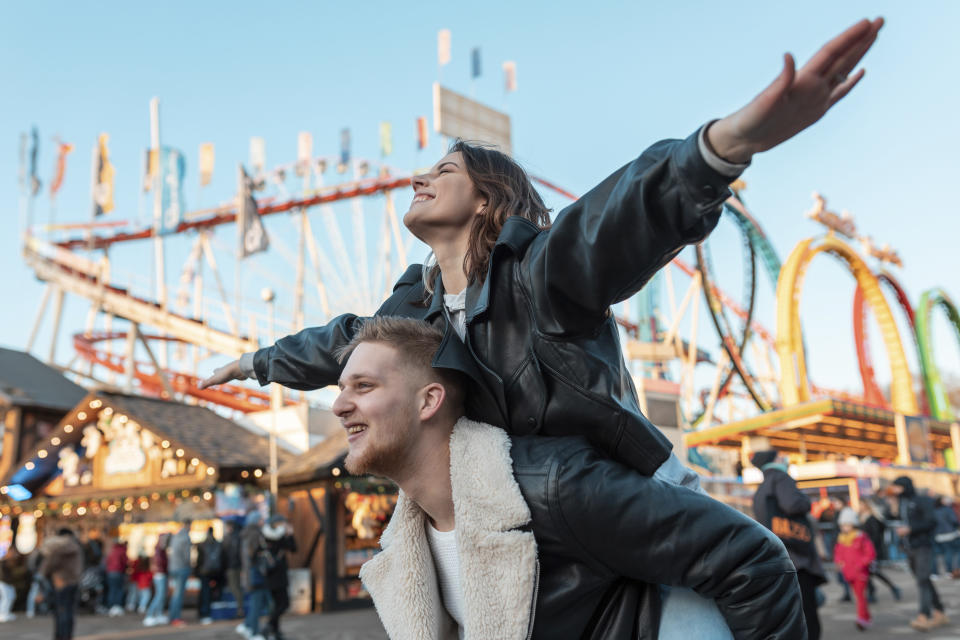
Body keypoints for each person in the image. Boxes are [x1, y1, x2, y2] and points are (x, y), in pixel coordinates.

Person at [201, 19, 882, 631]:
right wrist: (262, 363)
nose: (419, 177)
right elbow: (345, 343)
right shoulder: (415, 311)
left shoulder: (537, 273)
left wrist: (720, 149)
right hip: (531, 512)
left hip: (606, 503)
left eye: (443, 170)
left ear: (487, 198)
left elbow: (610, 225)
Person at [332, 316, 803, 638]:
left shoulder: (552, 486)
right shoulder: (407, 548)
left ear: (428, 401)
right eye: (340, 389)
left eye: (364, 386)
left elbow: (752, 557)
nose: (338, 405)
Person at [751, 448, 826, 639]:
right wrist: (807, 501)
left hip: (780, 556)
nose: (784, 459)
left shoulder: (761, 488)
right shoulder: (781, 478)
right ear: (773, 460)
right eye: (780, 456)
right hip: (798, 556)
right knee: (808, 615)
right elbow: (792, 504)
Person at [887, 476, 948, 630]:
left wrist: (911, 529)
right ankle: (939, 611)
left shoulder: (921, 500)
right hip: (909, 547)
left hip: (923, 546)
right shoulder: (900, 502)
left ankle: (924, 615)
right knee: (924, 580)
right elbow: (896, 519)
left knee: (922, 580)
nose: (895, 490)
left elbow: (931, 521)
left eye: (898, 487)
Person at [833, 507, 876, 630]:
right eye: (843, 525)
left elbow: (870, 554)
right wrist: (838, 563)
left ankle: (861, 619)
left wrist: (861, 564)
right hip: (849, 573)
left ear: (853, 524)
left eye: (847, 524)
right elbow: (838, 553)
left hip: (860, 573)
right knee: (859, 596)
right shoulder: (841, 539)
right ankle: (866, 617)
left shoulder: (861, 537)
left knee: (860, 596)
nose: (844, 527)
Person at [39, 527, 84, 640]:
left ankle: (61, 636)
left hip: (61, 581)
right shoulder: (75, 545)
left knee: (61, 611)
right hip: (73, 581)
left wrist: (43, 573)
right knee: (68, 611)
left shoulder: (62, 547)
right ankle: (66, 635)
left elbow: (50, 562)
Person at [858, 498, 901, 603]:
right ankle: (872, 594)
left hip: (872, 550)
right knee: (867, 573)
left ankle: (893, 587)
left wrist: (869, 548)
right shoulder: (862, 517)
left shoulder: (872, 519)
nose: (859, 506)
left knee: (874, 572)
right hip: (864, 550)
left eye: (861, 504)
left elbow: (875, 536)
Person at [261, 515, 297, 640]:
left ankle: (276, 632)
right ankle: (269, 625)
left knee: (277, 604)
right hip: (279, 575)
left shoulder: (264, 536)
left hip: (269, 575)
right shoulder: (280, 536)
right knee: (284, 604)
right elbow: (293, 548)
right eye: (282, 522)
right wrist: (290, 534)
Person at [238, 511, 270, 640]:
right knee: (257, 602)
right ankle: (253, 631)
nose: (263, 521)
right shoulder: (255, 534)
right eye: (261, 519)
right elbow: (253, 555)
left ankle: (248, 626)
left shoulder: (248, 534)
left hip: (250, 573)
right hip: (255, 574)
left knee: (257, 602)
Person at [166, 519, 193, 627]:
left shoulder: (175, 536)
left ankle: (172, 616)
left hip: (173, 568)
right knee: (179, 594)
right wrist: (190, 565)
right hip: (182, 568)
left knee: (175, 594)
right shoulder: (185, 537)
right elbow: (187, 556)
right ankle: (176, 618)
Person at [195, 526, 223, 625]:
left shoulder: (202, 544)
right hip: (215, 572)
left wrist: (197, 571)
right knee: (210, 593)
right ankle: (208, 613)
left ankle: (203, 613)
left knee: (204, 593)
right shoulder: (218, 543)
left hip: (204, 572)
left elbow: (199, 560)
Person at [144, 532, 170, 627]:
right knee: (159, 596)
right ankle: (149, 615)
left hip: (161, 574)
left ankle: (158, 614)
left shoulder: (161, 549)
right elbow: (160, 563)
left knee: (161, 596)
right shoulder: (159, 550)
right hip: (160, 574)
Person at [222, 519, 246, 619]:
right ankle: (240, 609)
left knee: (234, 588)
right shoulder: (239, 537)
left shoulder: (229, 538)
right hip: (237, 566)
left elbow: (227, 553)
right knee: (237, 588)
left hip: (232, 566)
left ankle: (240, 609)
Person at [933, 495, 960, 578]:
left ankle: (949, 571)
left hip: (940, 535)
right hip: (950, 534)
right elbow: (954, 520)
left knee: (946, 553)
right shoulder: (947, 510)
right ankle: (954, 570)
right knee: (953, 552)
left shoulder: (934, 511)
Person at [104, 538, 128, 617]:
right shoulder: (122, 551)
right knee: (119, 589)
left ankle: (111, 606)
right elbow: (125, 562)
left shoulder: (111, 551)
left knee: (112, 589)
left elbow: (106, 562)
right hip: (118, 572)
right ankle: (117, 606)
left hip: (110, 572)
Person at [0, 549, 16, 623]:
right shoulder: (4, 561)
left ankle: (6, 613)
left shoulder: (8, 561)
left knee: (11, 597)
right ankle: (2, 614)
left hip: (8, 582)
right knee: (6, 598)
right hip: (4, 582)